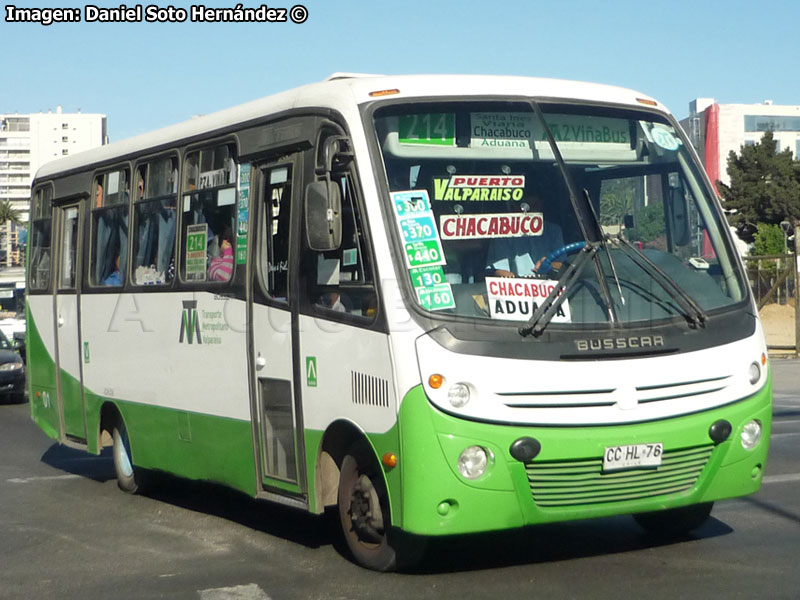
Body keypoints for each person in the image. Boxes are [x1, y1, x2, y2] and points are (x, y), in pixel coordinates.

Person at [485, 214, 565, 278]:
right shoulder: (503, 233)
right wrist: (503, 274)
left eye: (534, 205)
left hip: (550, 288)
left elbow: (565, 265)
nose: (528, 213)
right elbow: (496, 270)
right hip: (516, 291)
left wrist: (549, 265)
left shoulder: (553, 230)